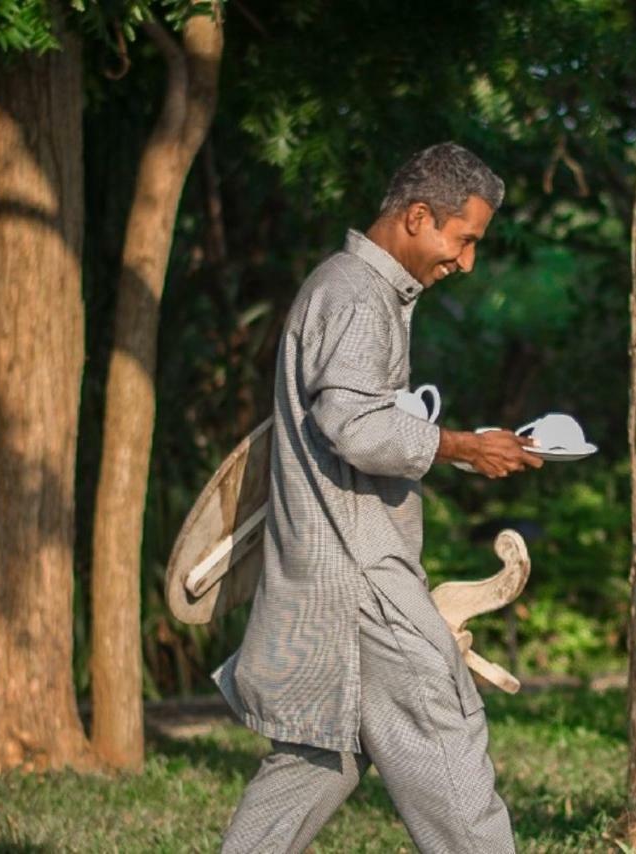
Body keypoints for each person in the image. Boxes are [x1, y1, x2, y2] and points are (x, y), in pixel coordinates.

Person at [215, 142, 541, 853]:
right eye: (465, 240)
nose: (467, 261)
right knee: (446, 743)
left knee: (315, 760)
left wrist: (470, 442)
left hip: (333, 578)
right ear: (419, 217)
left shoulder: (354, 290)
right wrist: (458, 445)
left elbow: (357, 420)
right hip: (365, 581)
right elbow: (353, 427)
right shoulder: (357, 295)